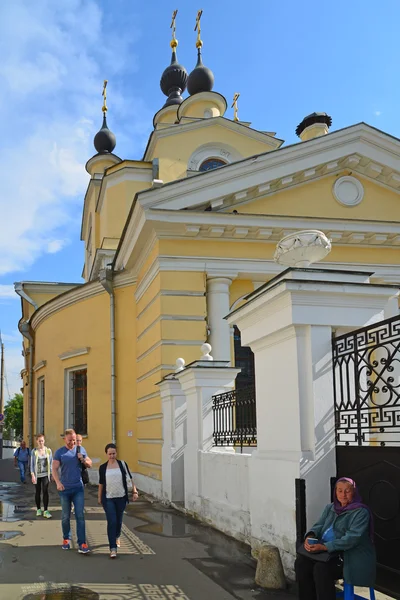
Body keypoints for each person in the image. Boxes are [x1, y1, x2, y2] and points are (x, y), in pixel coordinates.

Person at [295, 477, 376, 600]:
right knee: (301, 564)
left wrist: (325, 546)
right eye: (339, 491)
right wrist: (310, 536)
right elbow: (319, 525)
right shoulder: (331, 508)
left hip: (349, 556)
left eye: (347, 491)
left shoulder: (361, 512)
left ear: (354, 492)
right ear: (335, 492)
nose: (343, 495)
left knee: (321, 569)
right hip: (326, 553)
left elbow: (351, 539)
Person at [52, 428, 92, 554]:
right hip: (64, 489)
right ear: (65, 439)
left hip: (78, 488)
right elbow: (54, 469)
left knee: (80, 515)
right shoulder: (60, 452)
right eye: (70, 440)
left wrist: (83, 459)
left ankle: (82, 543)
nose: (72, 443)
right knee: (65, 516)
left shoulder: (80, 449)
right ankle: (66, 539)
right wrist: (58, 483)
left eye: (74, 440)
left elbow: (90, 464)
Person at [98, 443, 139, 559]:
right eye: (110, 454)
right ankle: (113, 548)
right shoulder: (103, 467)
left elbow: (129, 479)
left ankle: (117, 536)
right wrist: (99, 497)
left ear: (116, 453)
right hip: (108, 498)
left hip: (121, 497)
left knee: (119, 520)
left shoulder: (122, 464)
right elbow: (101, 484)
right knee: (112, 521)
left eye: (114, 453)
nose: (112, 456)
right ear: (106, 454)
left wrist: (134, 491)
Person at [31, 434, 53, 518]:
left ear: (44, 441)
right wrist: (32, 475)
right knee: (37, 491)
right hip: (37, 475)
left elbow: (51, 462)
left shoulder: (48, 451)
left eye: (42, 441)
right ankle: (38, 509)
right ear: (37, 441)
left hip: (45, 475)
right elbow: (32, 464)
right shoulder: (34, 451)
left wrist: (51, 474)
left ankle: (46, 510)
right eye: (39, 441)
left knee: (45, 491)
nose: (41, 442)